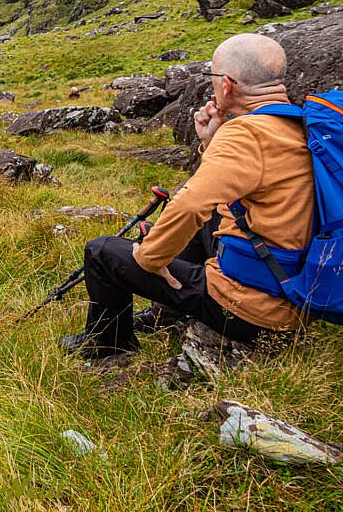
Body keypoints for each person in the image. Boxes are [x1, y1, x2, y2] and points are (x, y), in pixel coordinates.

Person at [59, 33, 314, 359]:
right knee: (214, 213)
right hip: (291, 294)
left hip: (247, 309)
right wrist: (210, 143)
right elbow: (231, 190)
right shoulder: (296, 124)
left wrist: (148, 259)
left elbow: (189, 204)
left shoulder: (245, 133)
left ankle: (107, 345)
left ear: (228, 84)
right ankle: (168, 314)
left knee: (102, 252)